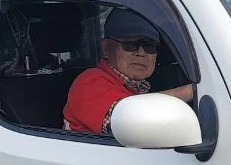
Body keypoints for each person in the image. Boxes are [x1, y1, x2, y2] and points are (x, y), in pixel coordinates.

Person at [63, 8, 195, 135]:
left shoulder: (140, 87)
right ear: (107, 48)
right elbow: (128, 120)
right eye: (131, 44)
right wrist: (193, 90)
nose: (141, 53)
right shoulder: (89, 83)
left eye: (149, 46)